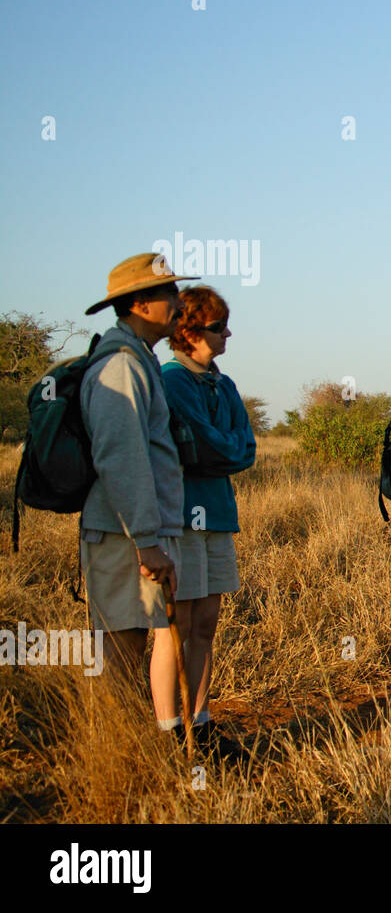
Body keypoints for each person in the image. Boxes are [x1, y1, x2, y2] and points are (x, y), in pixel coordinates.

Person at [80, 252, 196, 736]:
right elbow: (119, 457)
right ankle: (112, 753)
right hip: (122, 532)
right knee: (119, 650)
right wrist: (147, 540)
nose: (177, 302)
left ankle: (128, 746)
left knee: (127, 644)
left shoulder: (139, 359)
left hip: (132, 531)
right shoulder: (121, 365)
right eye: (169, 293)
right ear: (141, 304)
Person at [160, 286, 257, 751]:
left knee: (207, 621)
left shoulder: (225, 384)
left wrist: (221, 449)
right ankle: (169, 728)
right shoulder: (172, 381)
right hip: (178, 515)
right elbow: (204, 445)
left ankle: (200, 719)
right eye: (219, 328)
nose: (228, 334)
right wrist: (223, 449)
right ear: (190, 331)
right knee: (174, 623)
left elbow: (244, 449)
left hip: (217, 513)